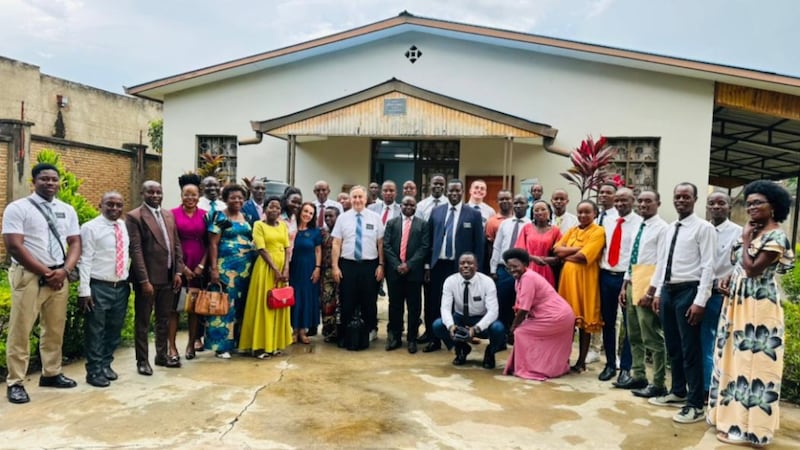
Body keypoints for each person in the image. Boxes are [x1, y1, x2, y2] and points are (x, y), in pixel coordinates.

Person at [708, 180, 794, 447]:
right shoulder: (753, 232)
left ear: (774, 206)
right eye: (750, 203)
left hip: (758, 309)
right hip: (737, 303)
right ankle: (729, 418)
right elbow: (738, 267)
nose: (752, 207)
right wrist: (725, 279)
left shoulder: (776, 236)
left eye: (759, 202)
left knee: (753, 366)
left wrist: (745, 239)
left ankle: (749, 430)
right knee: (733, 361)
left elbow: (753, 269)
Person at [3, 163, 81, 403]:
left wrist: (65, 270)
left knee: (54, 328)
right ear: (33, 182)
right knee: (21, 329)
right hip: (30, 276)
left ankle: (51, 372)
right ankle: (15, 381)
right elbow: (14, 245)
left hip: (60, 277)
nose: (50, 183)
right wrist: (47, 273)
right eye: (44, 179)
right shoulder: (18, 208)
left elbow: (75, 242)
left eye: (54, 179)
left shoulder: (67, 210)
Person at [649, 182, 715, 425]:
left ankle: (695, 404)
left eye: (686, 197)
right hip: (668, 290)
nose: (681, 200)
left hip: (689, 290)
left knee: (690, 349)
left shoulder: (704, 228)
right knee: (673, 346)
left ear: (695, 199)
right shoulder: (669, 229)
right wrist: (656, 292)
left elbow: (709, 266)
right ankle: (678, 391)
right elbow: (661, 261)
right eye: (678, 196)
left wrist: (700, 301)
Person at [127, 180, 184, 375]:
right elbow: (135, 251)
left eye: (158, 192)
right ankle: (142, 361)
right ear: (143, 193)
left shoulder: (168, 215)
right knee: (143, 322)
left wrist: (178, 271)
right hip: (148, 280)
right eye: (150, 192)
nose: (155, 195)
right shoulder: (135, 217)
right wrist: (144, 281)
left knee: (164, 319)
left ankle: (161, 356)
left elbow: (176, 245)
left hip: (169, 277)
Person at [422, 179, 484, 352]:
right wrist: (427, 266)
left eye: (457, 191)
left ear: (463, 192)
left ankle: (459, 342)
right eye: (451, 191)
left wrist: (476, 270)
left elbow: (478, 245)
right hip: (437, 265)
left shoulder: (473, 214)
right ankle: (433, 338)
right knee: (433, 303)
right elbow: (429, 242)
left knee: (459, 304)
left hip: (461, 268)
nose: (454, 194)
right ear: (446, 192)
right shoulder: (436, 212)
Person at [618, 190, 669, 398]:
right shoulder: (639, 225)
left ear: (658, 203)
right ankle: (638, 375)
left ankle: (658, 382)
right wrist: (624, 285)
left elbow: (662, 262)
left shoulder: (663, 228)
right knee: (634, 334)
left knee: (651, 335)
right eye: (640, 201)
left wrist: (652, 291)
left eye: (648, 201)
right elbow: (632, 256)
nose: (643, 204)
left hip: (648, 281)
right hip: (633, 280)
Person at [78, 192, 130, 388]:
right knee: (95, 331)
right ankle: (94, 371)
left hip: (121, 287)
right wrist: (84, 291)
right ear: (100, 204)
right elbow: (85, 259)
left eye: (119, 205)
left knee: (114, 330)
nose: (115, 208)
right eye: (110, 204)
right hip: (99, 286)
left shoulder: (123, 226)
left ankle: (106, 364)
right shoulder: (90, 228)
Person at [503, 248, 575, 381]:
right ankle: (542, 366)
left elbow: (524, 308)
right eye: (509, 268)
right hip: (553, 315)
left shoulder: (528, 278)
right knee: (524, 330)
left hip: (556, 316)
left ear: (525, 264)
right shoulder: (521, 277)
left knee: (521, 332)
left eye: (515, 266)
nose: (512, 270)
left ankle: (529, 368)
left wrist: (513, 328)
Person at [554, 199, 605, 372]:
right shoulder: (572, 230)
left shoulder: (598, 232)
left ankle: (581, 361)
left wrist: (565, 254)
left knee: (584, 322)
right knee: (567, 322)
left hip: (586, 280)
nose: (583, 215)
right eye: (580, 212)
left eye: (587, 212)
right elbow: (556, 249)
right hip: (567, 282)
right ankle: (563, 359)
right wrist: (579, 249)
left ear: (595, 214)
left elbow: (585, 257)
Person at [331, 185, 385, 349]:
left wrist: (381, 265)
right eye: (354, 197)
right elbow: (336, 243)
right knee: (347, 301)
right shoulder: (343, 218)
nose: (357, 200)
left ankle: (369, 331)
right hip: (348, 265)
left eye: (360, 197)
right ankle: (346, 335)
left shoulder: (375, 218)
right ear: (350, 199)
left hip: (370, 265)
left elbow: (380, 243)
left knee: (369, 300)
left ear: (366, 198)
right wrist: (335, 266)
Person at [206, 184, 256, 358]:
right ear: (226, 199)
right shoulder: (220, 217)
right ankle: (222, 346)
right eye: (233, 197)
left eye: (240, 197)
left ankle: (237, 342)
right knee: (226, 305)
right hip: (225, 268)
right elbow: (212, 243)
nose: (237, 200)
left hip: (245, 270)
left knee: (241, 306)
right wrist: (213, 269)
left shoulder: (246, 217)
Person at [239, 196, 293, 358]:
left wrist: (285, 269)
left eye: (277, 208)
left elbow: (287, 248)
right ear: (265, 209)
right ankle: (260, 346)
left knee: (279, 304)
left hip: (281, 269)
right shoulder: (258, 225)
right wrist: (275, 269)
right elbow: (261, 249)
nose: (274, 210)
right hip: (265, 269)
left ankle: (274, 343)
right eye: (271, 207)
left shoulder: (283, 226)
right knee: (264, 306)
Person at [431, 253, 505, 369]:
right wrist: (451, 326)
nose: (465, 266)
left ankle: (490, 353)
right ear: (458, 266)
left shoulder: (487, 282)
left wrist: (476, 328)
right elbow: (445, 308)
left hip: (481, 320)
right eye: (462, 263)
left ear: (476, 266)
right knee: (438, 325)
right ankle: (461, 348)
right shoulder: (450, 281)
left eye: (470, 263)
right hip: (459, 318)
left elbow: (493, 311)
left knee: (498, 329)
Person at [598, 188, 640, 384]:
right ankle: (610, 364)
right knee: (608, 321)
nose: (621, 204)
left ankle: (626, 367)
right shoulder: (606, 221)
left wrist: (629, 279)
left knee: (629, 324)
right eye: (618, 201)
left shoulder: (640, 223)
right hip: (606, 275)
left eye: (625, 200)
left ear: (633, 201)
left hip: (628, 277)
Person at [702, 192, 741, 397]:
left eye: (721, 203)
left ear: (729, 206)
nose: (716, 207)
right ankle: (699, 385)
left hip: (719, 295)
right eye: (712, 203)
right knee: (697, 343)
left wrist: (726, 279)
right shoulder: (701, 229)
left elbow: (740, 264)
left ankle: (709, 390)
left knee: (712, 341)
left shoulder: (739, 233)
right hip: (697, 293)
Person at [383, 196, 430, 353]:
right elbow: (387, 245)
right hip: (394, 273)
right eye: (406, 204)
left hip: (413, 273)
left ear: (416, 207)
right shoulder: (391, 223)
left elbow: (424, 247)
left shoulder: (422, 225)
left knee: (414, 307)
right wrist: (397, 265)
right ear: (400, 206)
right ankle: (395, 337)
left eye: (412, 204)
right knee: (395, 306)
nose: (409, 206)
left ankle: (411, 339)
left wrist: (409, 265)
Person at [171, 174, 208, 360]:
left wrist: (202, 265)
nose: (190, 198)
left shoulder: (206, 215)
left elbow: (210, 242)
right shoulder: (172, 214)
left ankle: (191, 344)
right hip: (179, 266)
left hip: (199, 266)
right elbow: (170, 242)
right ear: (181, 195)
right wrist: (181, 266)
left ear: (199, 196)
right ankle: (172, 347)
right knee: (174, 308)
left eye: (194, 195)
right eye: (187, 194)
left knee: (194, 308)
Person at [490, 194, 531, 333]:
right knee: (502, 302)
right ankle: (500, 335)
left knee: (520, 304)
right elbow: (497, 246)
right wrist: (493, 269)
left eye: (522, 203)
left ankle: (516, 335)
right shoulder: (504, 224)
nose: (518, 206)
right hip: (504, 269)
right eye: (516, 203)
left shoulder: (530, 225)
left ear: (527, 205)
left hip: (522, 271)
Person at [290, 202, 323, 344]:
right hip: (293, 268)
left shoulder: (315, 232)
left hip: (309, 268)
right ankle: (293, 330)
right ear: (300, 211)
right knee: (294, 297)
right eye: (305, 211)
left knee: (306, 298)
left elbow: (318, 250)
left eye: (311, 213)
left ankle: (303, 331)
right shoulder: (291, 229)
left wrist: (317, 268)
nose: (307, 215)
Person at [514, 199, 562, 287]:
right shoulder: (526, 228)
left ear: (549, 212)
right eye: (536, 210)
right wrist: (534, 258)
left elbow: (559, 254)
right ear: (532, 213)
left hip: (546, 269)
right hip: (527, 269)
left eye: (543, 209)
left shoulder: (555, 231)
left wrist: (547, 259)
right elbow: (519, 252)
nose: (539, 212)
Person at [319, 206, 341, 342]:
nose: (328, 219)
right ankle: (328, 331)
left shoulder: (342, 232)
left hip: (340, 270)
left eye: (331, 216)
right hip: (325, 272)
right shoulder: (322, 233)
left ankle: (340, 331)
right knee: (327, 302)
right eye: (326, 216)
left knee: (341, 302)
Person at [485, 190, 513, 274]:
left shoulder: (519, 220)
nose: (505, 201)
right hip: (500, 266)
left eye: (507, 198)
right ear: (497, 201)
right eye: (502, 199)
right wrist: (492, 269)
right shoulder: (491, 222)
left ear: (512, 200)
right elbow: (490, 247)